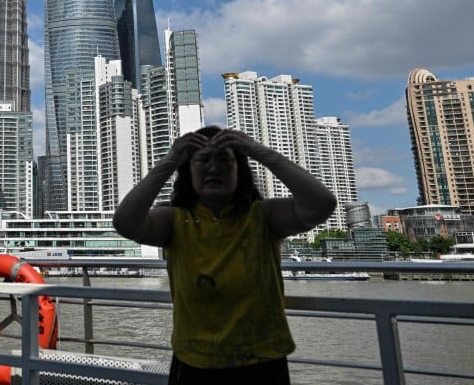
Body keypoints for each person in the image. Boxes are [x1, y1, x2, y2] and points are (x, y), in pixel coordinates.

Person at [113, 126, 337, 385]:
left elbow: (322, 203)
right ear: (188, 172)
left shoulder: (262, 216)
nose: (214, 167)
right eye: (203, 160)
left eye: (224, 159)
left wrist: (257, 150)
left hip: (262, 358)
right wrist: (171, 159)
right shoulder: (176, 220)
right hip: (195, 359)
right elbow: (125, 222)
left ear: (239, 170)